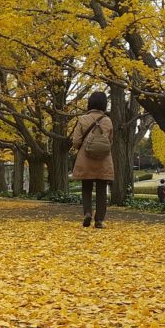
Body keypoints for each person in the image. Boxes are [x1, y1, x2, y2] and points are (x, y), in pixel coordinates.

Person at [70, 91, 114, 228]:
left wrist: (82, 148)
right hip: (103, 160)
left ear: (90, 103)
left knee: (86, 188)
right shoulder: (107, 121)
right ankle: (99, 220)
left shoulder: (83, 119)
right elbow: (110, 141)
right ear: (104, 104)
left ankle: (87, 213)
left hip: (85, 158)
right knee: (101, 190)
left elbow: (76, 141)